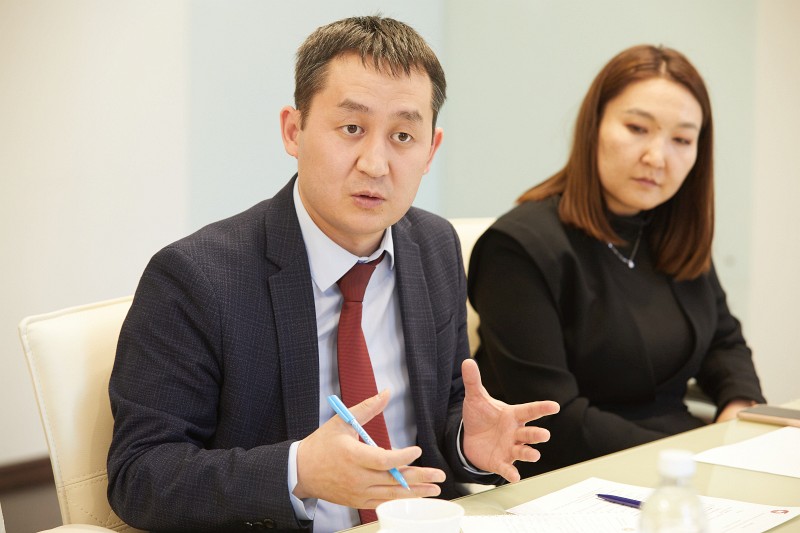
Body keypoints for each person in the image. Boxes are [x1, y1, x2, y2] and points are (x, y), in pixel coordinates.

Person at [107, 15, 559, 533]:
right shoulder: (197, 277)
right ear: (293, 131)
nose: (375, 163)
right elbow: (138, 475)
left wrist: (465, 444)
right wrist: (297, 471)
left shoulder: (434, 246)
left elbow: (446, 408)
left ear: (430, 150)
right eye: (352, 129)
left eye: (403, 136)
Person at [467, 44, 765, 479]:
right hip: (568, 477)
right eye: (637, 128)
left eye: (682, 140)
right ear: (594, 126)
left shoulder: (670, 229)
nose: (657, 157)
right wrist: (690, 458)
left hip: (679, 466)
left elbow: (723, 341)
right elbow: (553, 420)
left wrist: (740, 409)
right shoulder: (519, 247)